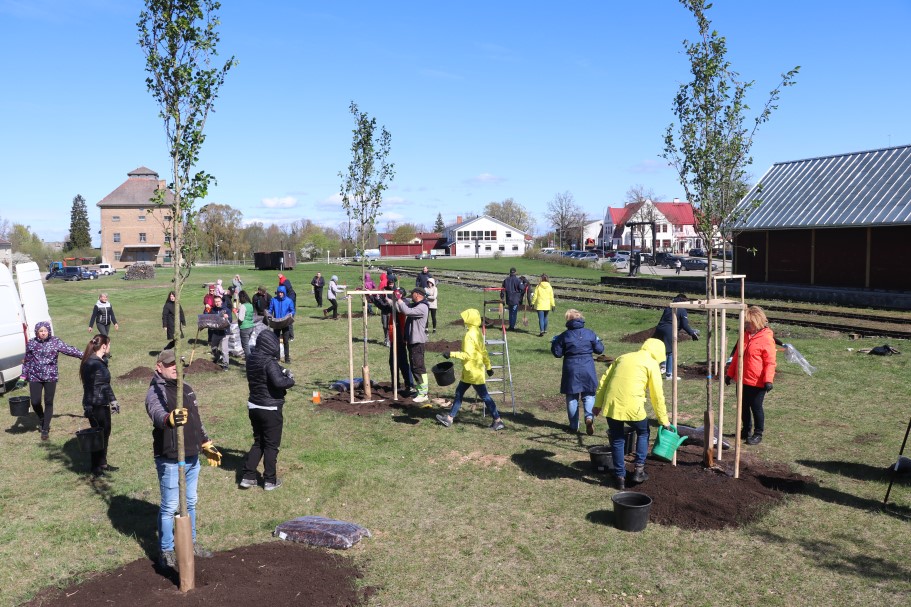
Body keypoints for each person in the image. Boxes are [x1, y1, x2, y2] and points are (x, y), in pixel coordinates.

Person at [144, 349, 220, 569]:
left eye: (178, 363)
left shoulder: (185, 388)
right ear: (159, 367)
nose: (175, 367)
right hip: (170, 457)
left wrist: (206, 443)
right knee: (170, 506)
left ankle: (191, 543)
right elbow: (156, 412)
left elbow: (196, 419)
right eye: (170, 365)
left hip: (192, 455)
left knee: (190, 503)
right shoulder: (155, 391)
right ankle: (167, 550)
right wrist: (169, 419)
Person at [593, 338, 671, 490]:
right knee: (643, 432)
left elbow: (604, 381)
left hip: (612, 405)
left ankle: (620, 477)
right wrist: (664, 421)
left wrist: (597, 404)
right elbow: (657, 396)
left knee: (617, 439)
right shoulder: (652, 364)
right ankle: (639, 471)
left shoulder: (623, 357)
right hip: (633, 407)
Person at [240, 330, 295, 491]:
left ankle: (248, 476)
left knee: (259, 442)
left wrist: (283, 370)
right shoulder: (269, 362)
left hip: (254, 406)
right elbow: (278, 382)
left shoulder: (251, 358)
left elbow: (272, 368)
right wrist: (290, 380)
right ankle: (270, 480)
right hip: (270, 408)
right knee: (271, 445)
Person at [435, 308, 504, 430]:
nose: (463, 320)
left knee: (485, 396)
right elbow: (483, 351)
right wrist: (488, 367)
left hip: (472, 372)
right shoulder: (477, 332)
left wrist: (451, 354)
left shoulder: (468, 336)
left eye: (465, 318)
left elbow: (467, 355)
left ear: (469, 320)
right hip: (473, 370)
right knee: (459, 393)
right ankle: (450, 418)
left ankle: (498, 420)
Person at [20, 321, 83, 440]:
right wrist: (22, 377)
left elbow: (69, 350)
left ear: (49, 331)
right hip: (35, 376)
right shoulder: (32, 343)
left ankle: (45, 428)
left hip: (50, 376)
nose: (43, 333)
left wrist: (84, 355)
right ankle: (42, 417)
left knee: (48, 402)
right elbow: (27, 361)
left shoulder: (55, 341)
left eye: (45, 331)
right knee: (35, 402)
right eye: (41, 331)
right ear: (37, 332)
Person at [725, 306, 776, 445]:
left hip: (757, 382)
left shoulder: (766, 338)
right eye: (745, 323)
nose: (746, 325)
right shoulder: (744, 335)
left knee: (756, 407)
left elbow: (770, 362)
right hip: (742, 379)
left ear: (757, 321)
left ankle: (758, 433)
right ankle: (745, 430)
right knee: (743, 406)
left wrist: (768, 380)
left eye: (748, 323)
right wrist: (729, 374)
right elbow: (737, 356)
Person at [551, 309, 604, 435]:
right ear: (581, 319)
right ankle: (589, 417)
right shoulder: (590, 333)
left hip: (571, 367)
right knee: (589, 395)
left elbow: (557, 353)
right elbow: (599, 349)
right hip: (587, 367)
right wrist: (597, 340)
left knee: (571, 396)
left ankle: (574, 426)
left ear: (568, 321)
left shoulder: (564, 335)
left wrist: (554, 342)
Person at [80, 334, 119, 477]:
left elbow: (105, 384)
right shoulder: (91, 363)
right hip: (95, 404)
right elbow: (88, 387)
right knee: (98, 435)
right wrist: (88, 406)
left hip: (102, 402)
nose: (110, 347)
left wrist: (113, 400)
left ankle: (103, 463)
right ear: (104, 346)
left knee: (106, 431)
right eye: (109, 345)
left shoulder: (100, 361)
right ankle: (95, 467)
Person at [371, 290, 414, 395]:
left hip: (400, 337)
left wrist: (383, 299)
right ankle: (397, 384)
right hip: (394, 337)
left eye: (395, 295)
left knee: (402, 362)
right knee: (394, 362)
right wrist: (374, 298)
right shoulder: (394, 304)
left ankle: (409, 384)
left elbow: (392, 307)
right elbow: (384, 307)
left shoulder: (403, 303)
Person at [395, 287, 430, 403]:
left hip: (417, 342)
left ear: (418, 295)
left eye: (412, 293)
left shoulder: (422, 307)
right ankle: (420, 390)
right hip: (412, 341)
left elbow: (407, 311)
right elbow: (402, 308)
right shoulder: (416, 305)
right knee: (415, 367)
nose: (411, 295)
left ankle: (423, 393)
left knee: (418, 367)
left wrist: (399, 299)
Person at [653, 294, 699, 379]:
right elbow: (685, 325)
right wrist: (692, 333)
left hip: (659, 329)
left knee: (663, 349)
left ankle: (663, 365)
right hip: (669, 331)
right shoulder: (682, 309)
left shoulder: (669, 307)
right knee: (670, 352)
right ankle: (669, 374)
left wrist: (690, 331)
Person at [269, 285, 295, 364]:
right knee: (276, 341)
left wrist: (290, 314)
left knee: (286, 341)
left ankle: (287, 358)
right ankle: (277, 357)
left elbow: (292, 310)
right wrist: (269, 315)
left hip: (285, 323)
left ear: (284, 293)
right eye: (279, 293)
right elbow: (270, 310)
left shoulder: (289, 301)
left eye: (281, 293)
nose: (280, 294)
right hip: (276, 323)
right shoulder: (274, 300)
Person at [208, 295, 233, 371]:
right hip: (216, 332)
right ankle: (218, 356)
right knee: (213, 348)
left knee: (224, 350)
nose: (217, 303)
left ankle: (225, 365)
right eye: (215, 302)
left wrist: (227, 317)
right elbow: (210, 319)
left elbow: (231, 320)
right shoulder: (213, 310)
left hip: (224, 333)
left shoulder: (226, 310)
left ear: (221, 301)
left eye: (218, 301)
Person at [236, 290, 255, 358]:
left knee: (245, 346)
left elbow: (241, 319)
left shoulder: (243, 306)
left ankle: (249, 361)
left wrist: (236, 313)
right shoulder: (250, 305)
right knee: (247, 345)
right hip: (251, 326)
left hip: (244, 327)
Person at [278, 274, 296, 339]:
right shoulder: (284, 285)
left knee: (289, 322)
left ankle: (291, 336)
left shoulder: (291, 294)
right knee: (284, 323)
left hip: (290, 310)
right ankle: (286, 335)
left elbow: (290, 304)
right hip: (284, 310)